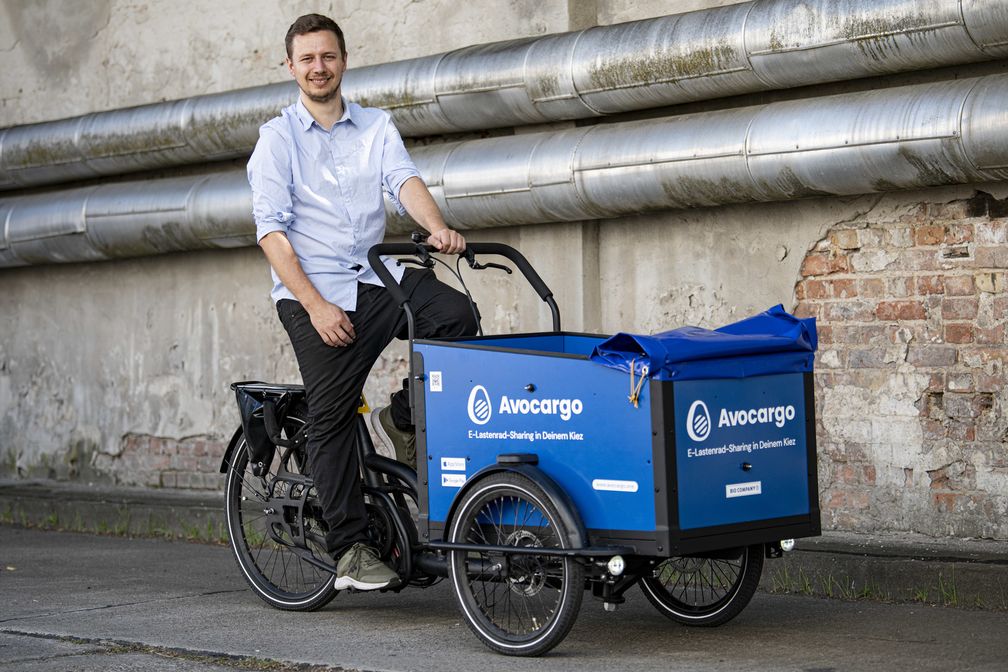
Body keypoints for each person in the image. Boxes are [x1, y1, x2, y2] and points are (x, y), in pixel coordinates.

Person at [247, 13, 478, 591]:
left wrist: (436, 227)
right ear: (291, 67)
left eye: (327, 57)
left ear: (344, 61)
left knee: (456, 317)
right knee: (331, 416)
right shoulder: (276, 141)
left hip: (379, 276)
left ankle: (404, 417)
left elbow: (403, 180)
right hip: (315, 291)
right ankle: (349, 548)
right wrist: (317, 306)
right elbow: (272, 234)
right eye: (307, 59)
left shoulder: (376, 125)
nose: (318, 68)